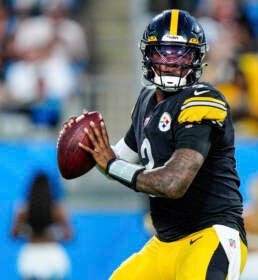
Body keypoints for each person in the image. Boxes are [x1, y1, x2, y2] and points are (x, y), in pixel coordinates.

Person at [64, 9, 248, 280]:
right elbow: (117, 158)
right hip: (165, 242)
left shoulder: (203, 100)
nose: (171, 63)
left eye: (181, 54)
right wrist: (89, 145)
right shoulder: (146, 101)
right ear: (149, 56)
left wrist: (112, 164)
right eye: (163, 53)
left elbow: (174, 183)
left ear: (196, 59)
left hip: (209, 235)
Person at [11, 171, 73, 279]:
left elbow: (14, 234)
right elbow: (69, 236)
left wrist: (28, 232)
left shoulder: (23, 211)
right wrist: (52, 234)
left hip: (31, 254)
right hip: (52, 253)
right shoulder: (57, 211)